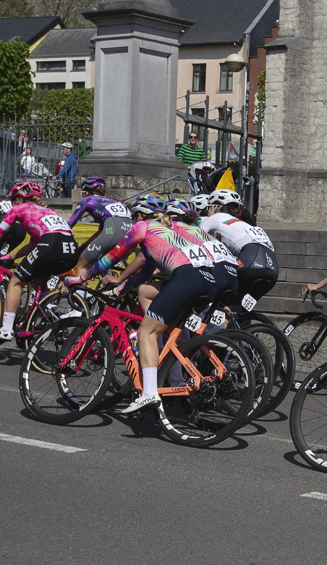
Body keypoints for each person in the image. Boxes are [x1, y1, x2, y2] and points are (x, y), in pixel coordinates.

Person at [66, 195, 217, 414]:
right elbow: (142, 275)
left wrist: (81, 278)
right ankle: (174, 381)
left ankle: (149, 393)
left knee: (147, 333)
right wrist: (121, 287)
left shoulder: (142, 227)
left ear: (137, 215)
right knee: (167, 330)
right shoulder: (167, 232)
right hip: (208, 279)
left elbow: (111, 259)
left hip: (188, 277)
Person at [0, 182, 79, 342]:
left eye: (13, 200)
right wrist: (9, 257)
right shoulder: (49, 211)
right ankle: (47, 315)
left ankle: (6, 329)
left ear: (18, 199)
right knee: (36, 281)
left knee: (16, 282)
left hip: (52, 244)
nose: (13, 204)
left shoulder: (17, 209)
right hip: (71, 249)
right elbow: (32, 245)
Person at [200, 189, 277, 304]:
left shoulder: (214, 218)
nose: (208, 212)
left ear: (215, 206)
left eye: (208, 208)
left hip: (250, 260)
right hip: (272, 268)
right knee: (237, 308)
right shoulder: (245, 225)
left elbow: (195, 239)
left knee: (213, 296)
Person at [67, 176, 134, 278]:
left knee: (82, 264)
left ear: (86, 192)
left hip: (113, 230)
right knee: (103, 265)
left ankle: (78, 294)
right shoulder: (115, 201)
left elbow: (69, 225)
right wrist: (84, 246)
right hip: (131, 234)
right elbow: (101, 232)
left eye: (82, 193)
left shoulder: (88, 199)